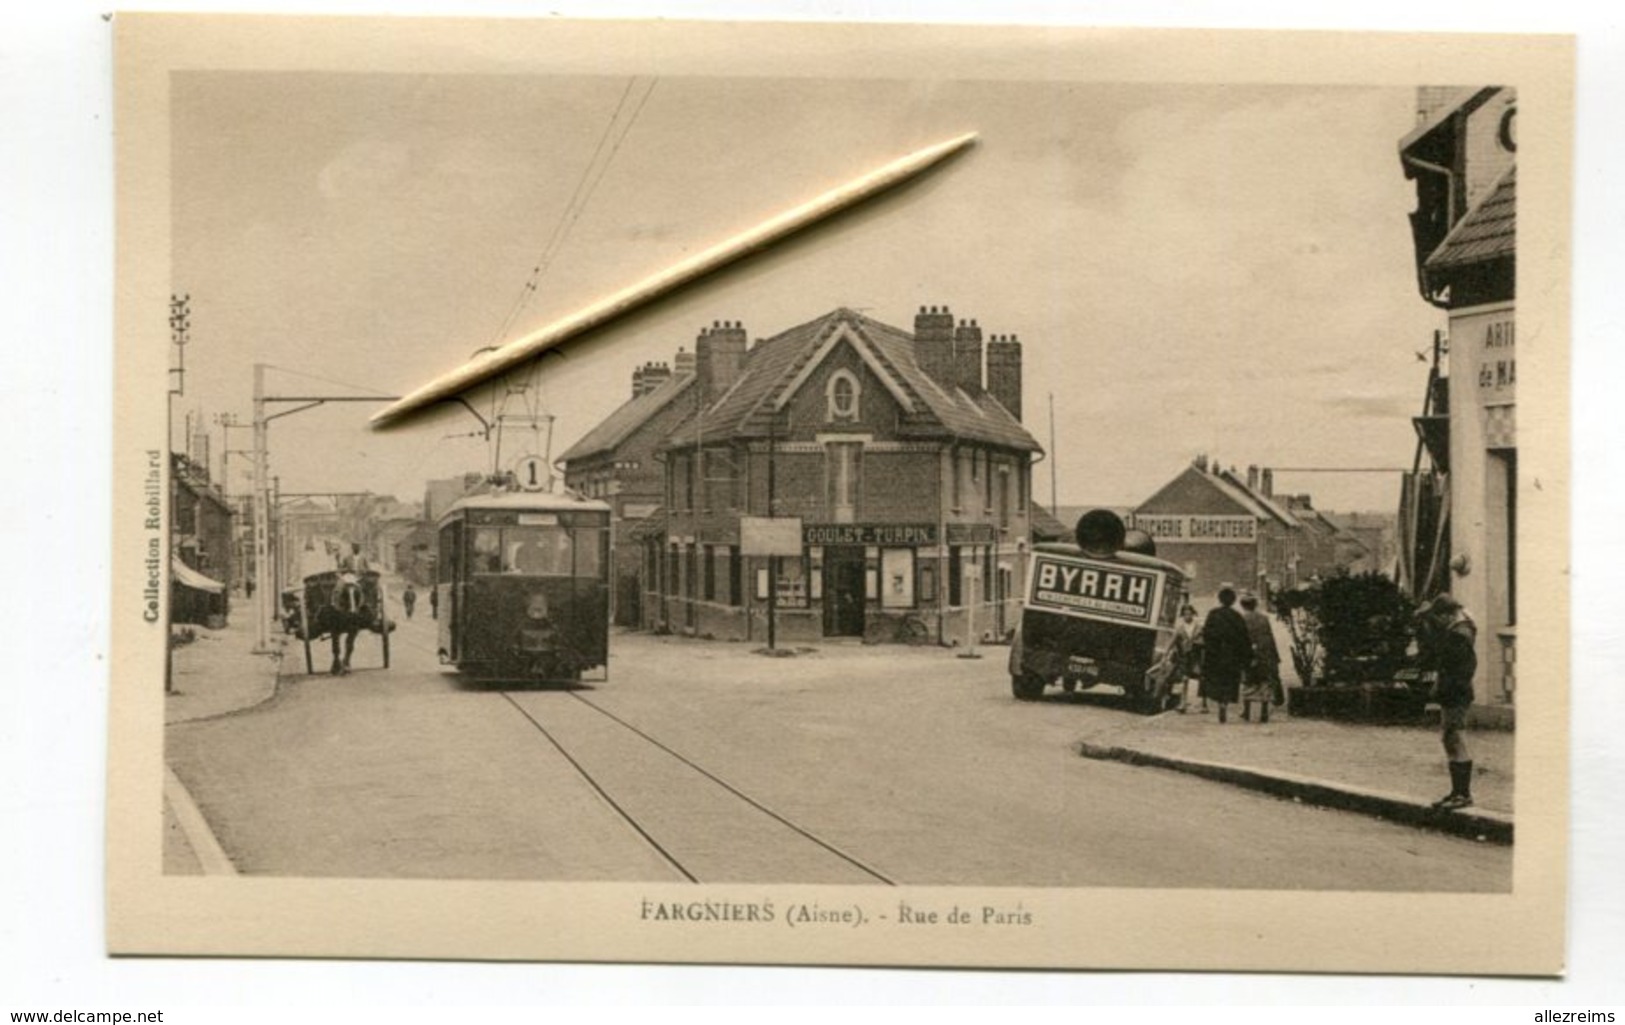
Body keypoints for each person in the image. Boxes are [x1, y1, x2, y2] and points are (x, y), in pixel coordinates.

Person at [1415, 594, 1478, 809]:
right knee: (1450, 738)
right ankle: (1457, 792)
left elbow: (1459, 668)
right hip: (1455, 691)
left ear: (1448, 614)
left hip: (1455, 693)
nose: (1438, 622)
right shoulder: (1460, 630)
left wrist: (1446, 687)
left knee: (1455, 738)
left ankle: (1462, 793)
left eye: (1439, 617)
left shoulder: (1458, 635)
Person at [1200, 583, 1253, 724]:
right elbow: (1244, 638)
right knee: (1229, 681)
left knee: (1217, 680)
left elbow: (1206, 634)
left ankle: (1220, 704)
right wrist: (1247, 657)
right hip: (1232, 656)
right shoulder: (1237, 617)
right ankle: (1225, 702)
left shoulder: (1213, 614)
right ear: (1233, 600)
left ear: (1220, 599)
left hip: (1216, 655)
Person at [1238, 591, 1281, 724]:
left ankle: (1246, 711)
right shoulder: (1264, 619)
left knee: (1248, 682)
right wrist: (1275, 656)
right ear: (1255, 605)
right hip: (1265, 654)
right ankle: (1264, 712)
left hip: (1247, 655)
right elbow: (1269, 637)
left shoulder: (1241, 619)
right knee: (1264, 683)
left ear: (1243, 605)